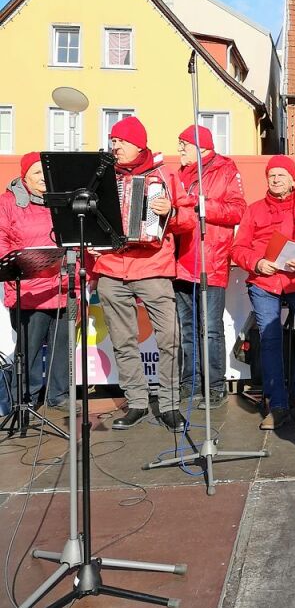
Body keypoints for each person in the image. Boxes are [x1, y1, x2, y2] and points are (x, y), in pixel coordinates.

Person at [94, 117, 193, 432]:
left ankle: (170, 405)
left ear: (138, 143)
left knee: (170, 337)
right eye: (113, 141)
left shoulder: (165, 175)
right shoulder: (102, 176)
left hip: (152, 266)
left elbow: (189, 220)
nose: (115, 147)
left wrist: (172, 213)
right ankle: (136, 402)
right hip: (111, 267)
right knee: (123, 341)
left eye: (120, 141)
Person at [231, 156, 295, 430]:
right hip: (264, 281)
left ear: (293, 179)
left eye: (282, 175)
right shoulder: (254, 210)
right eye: (271, 175)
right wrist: (257, 263)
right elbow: (238, 249)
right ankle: (277, 405)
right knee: (270, 338)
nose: (276, 179)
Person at [174, 124, 246, 409]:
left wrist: (202, 205)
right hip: (180, 262)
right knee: (187, 328)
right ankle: (190, 383)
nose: (179, 150)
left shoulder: (226, 170)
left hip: (210, 261)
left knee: (211, 328)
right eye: (179, 144)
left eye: (184, 145)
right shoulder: (178, 175)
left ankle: (215, 386)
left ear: (202, 147)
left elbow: (238, 210)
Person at [0, 153, 69, 412]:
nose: (43, 178)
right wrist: (21, 266)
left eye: (46, 173)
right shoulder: (8, 202)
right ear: (24, 175)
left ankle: (58, 394)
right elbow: (1, 239)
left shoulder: (61, 201)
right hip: (29, 290)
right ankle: (24, 398)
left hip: (63, 287)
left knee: (62, 345)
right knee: (27, 350)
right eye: (37, 172)